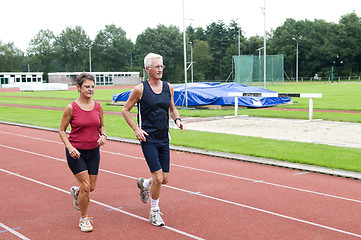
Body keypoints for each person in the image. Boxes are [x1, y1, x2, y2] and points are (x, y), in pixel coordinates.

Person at [121, 53, 184, 226]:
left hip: (164, 137)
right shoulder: (140, 89)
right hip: (148, 138)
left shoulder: (168, 87)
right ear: (148, 69)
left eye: (161, 66)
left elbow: (172, 108)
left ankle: (144, 183)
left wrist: (177, 120)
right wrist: (136, 128)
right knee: (158, 177)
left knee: (164, 179)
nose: (160, 69)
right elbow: (125, 110)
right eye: (156, 67)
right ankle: (154, 212)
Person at [59, 73, 107, 232]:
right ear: (78, 88)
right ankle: (84, 218)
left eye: (93, 86)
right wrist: (70, 147)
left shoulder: (98, 106)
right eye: (87, 86)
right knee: (86, 187)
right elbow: (61, 130)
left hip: (94, 152)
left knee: (90, 187)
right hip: (76, 153)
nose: (91, 89)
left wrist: (103, 135)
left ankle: (76, 191)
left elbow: (102, 126)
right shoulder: (71, 107)